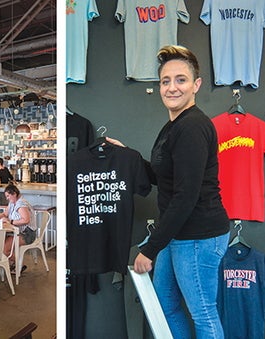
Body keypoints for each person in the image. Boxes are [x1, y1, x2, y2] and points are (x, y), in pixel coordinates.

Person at [108, 45, 230, 338]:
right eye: (165, 81)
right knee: (166, 303)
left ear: (196, 85)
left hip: (199, 235)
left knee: (202, 312)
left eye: (180, 80)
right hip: (179, 233)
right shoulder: (174, 126)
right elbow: (165, 178)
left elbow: (185, 195)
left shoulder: (192, 127)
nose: (172, 87)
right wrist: (130, 158)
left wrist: (150, 249)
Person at [0, 184, 34, 273]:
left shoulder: (21, 205)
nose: (7, 198)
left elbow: (26, 220)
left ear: (14, 194)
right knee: (1, 242)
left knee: (4, 249)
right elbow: (5, 214)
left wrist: (11, 221)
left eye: (8, 196)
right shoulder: (13, 202)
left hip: (27, 234)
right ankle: (11, 263)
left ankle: (20, 264)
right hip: (17, 231)